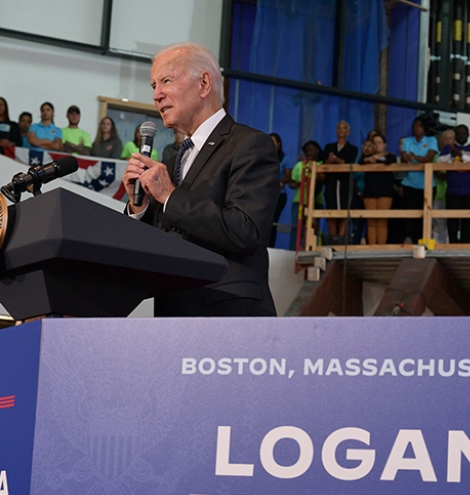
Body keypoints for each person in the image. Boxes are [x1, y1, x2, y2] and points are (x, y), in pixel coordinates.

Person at [122, 42, 279, 317]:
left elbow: (246, 231)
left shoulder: (250, 145)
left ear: (204, 83)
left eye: (166, 81)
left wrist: (170, 196)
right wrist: (140, 208)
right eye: (153, 86)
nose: (157, 95)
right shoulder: (171, 165)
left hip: (228, 317)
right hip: (172, 317)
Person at [439, 124, 470, 244]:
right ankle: (452, 245)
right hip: (453, 190)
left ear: (468, 135)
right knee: (452, 220)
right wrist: (451, 155)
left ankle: (465, 245)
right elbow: (439, 161)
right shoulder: (448, 148)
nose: (461, 135)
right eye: (458, 133)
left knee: (468, 221)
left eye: (463, 133)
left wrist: (461, 155)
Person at [399, 117, 438, 243]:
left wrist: (415, 157)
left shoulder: (431, 140)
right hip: (410, 183)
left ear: (424, 128)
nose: (417, 128)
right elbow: (404, 159)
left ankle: (424, 240)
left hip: (427, 184)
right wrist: (406, 157)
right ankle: (410, 239)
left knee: (425, 215)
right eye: (415, 126)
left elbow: (429, 158)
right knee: (410, 215)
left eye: (420, 126)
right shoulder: (408, 141)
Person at [321, 120, 359, 242]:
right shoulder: (329, 147)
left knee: (343, 208)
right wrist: (330, 160)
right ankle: (332, 237)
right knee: (331, 208)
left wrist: (336, 159)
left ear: (348, 132)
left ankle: (341, 237)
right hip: (331, 182)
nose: (341, 130)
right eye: (338, 128)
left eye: (343, 128)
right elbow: (324, 163)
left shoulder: (353, 148)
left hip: (344, 182)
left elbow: (348, 162)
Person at [286, 140, 324, 250]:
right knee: (296, 227)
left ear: (317, 150)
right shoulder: (299, 165)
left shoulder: (321, 164)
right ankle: (294, 249)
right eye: (307, 151)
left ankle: (314, 248)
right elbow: (291, 183)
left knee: (313, 227)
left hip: (316, 200)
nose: (309, 152)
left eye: (311, 150)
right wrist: (296, 184)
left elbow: (323, 178)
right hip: (299, 200)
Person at [359, 133, 396, 245]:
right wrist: (368, 159)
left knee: (382, 220)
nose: (377, 145)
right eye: (374, 143)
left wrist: (380, 158)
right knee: (371, 221)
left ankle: (381, 247)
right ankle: (372, 247)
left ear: (385, 144)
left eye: (379, 142)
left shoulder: (390, 156)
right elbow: (360, 162)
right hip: (370, 191)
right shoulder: (368, 157)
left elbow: (390, 161)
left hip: (385, 192)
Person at [268, 133, 294, 247]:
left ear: (279, 144)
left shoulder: (285, 159)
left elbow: (289, 177)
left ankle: (271, 246)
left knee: (273, 219)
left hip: (279, 195)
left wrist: (280, 182)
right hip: (265, 194)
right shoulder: (263, 156)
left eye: (273, 142)